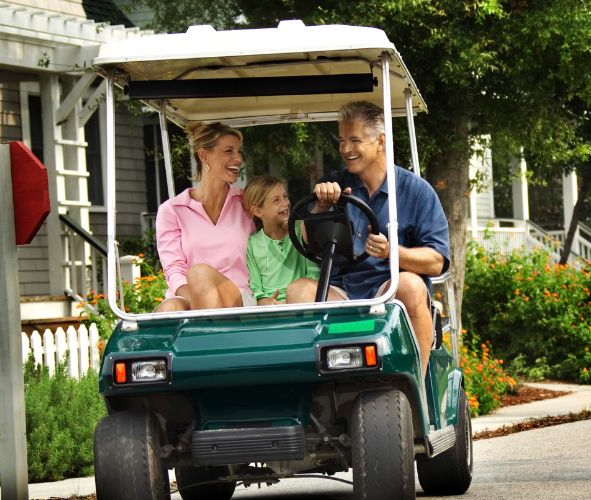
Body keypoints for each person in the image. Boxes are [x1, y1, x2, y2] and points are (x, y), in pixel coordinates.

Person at [286, 101, 450, 372]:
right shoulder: (334, 184)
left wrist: (392, 252)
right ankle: (315, 390)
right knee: (298, 290)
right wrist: (321, 207)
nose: (346, 149)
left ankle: (417, 387)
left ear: (380, 142)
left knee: (410, 285)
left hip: (389, 290)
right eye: (342, 140)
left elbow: (436, 262)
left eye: (355, 140)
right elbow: (307, 243)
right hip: (342, 291)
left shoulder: (416, 191)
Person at [154, 121, 255, 312]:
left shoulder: (247, 202)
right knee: (170, 308)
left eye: (238, 151)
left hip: (239, 298)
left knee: (200, 273)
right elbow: (174, 269)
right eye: (229, 151)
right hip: (191, 298)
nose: (238, 158)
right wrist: (200, 300)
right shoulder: (172, 210)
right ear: (204, 155)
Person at [242, 175, 332, 304]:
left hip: (303, 301)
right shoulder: (253, 244)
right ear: (257, 211)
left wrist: (291, 301)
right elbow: (257, 291)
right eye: (276, 200)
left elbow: (314, 275)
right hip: (272, 310)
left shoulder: (302, 229)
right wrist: (265, 302)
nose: (285, 203)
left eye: (285, 197)